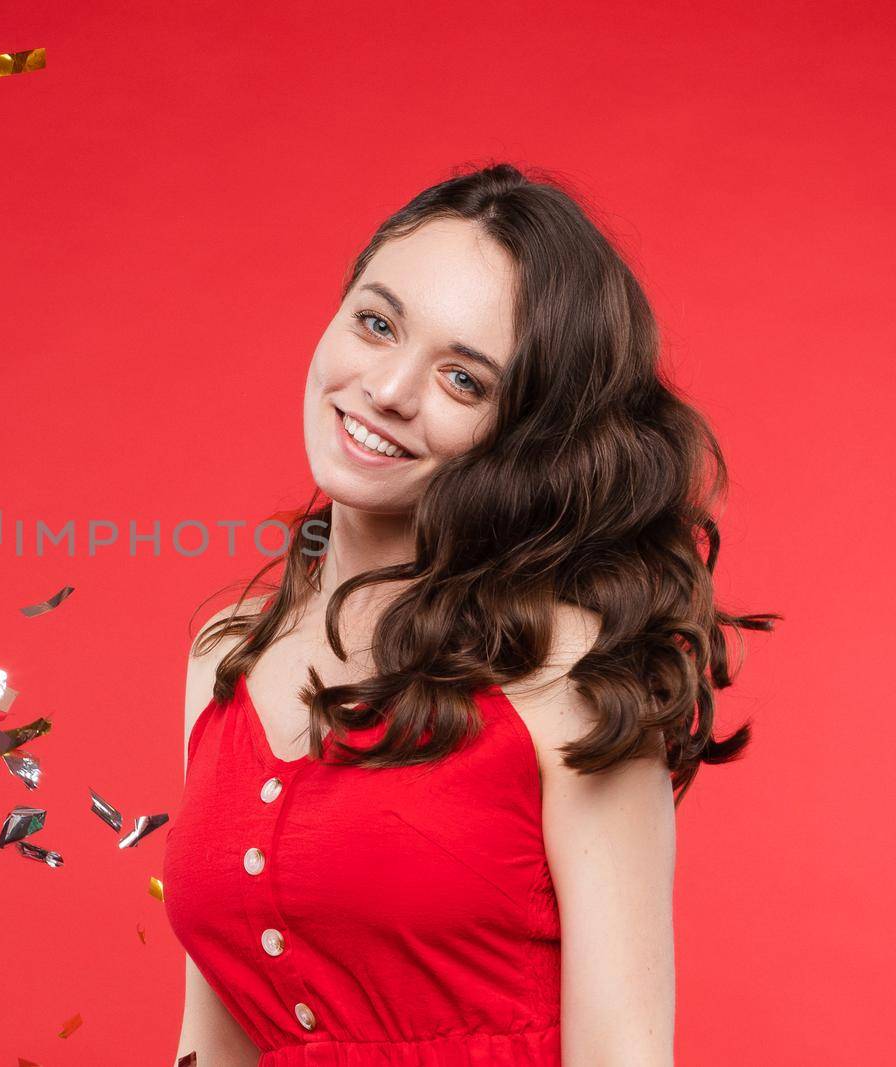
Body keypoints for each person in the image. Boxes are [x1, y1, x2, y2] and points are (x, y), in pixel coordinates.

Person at [162, 162, 777, 1066]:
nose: (388, 389)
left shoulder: (567, 668)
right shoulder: (227, 659)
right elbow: (212, 1043)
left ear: (523, 436)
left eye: (464, 380)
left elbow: (624, 1053)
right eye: (376, 324)